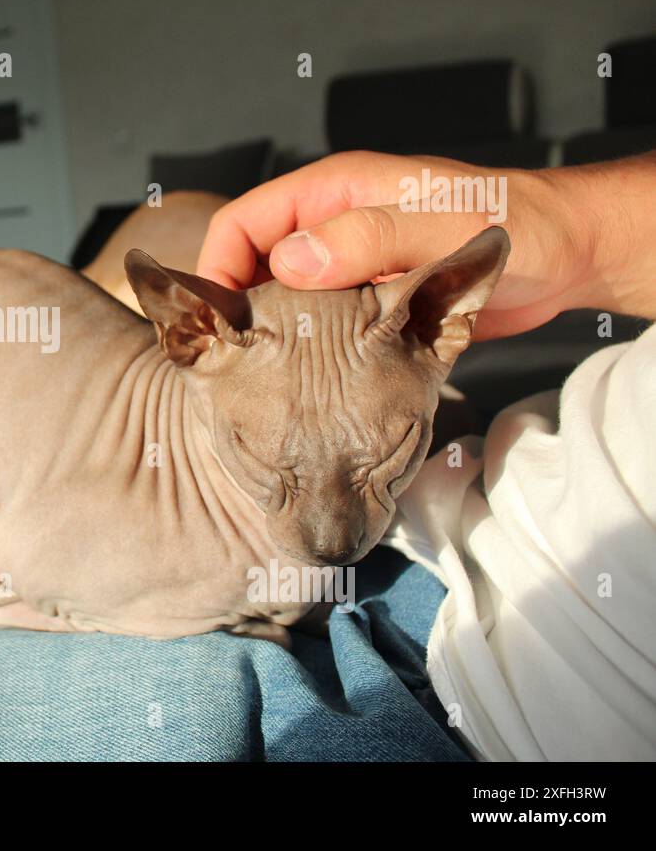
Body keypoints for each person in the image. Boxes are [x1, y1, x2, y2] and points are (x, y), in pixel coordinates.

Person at [196, 150, 656, 760]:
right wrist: (580, 229)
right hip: (463, 524)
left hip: (445, 672)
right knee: (181, 217)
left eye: (376, 463)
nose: (330, 538)